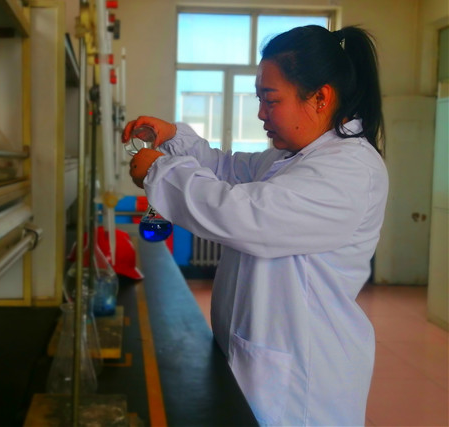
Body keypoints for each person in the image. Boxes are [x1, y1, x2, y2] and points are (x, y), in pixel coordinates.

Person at [122, 25, 388, 426]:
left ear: (320, 97)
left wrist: (160, 172)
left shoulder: (349, 170)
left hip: (303, 384)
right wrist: (174, 137)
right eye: (259, 99)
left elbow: (246, 215)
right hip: (262, 360)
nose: (262, 113)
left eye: (271, 99)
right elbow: (228, 170)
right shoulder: (294, 156)